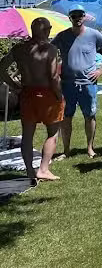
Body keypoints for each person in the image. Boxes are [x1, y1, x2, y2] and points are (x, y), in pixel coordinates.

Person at [0, 18, 63, 182]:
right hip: (47, 93)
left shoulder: (20, 49)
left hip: (27, 93)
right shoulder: (50, 49)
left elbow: (2, 68)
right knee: (53, 132)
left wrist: (14, 84)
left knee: (27, 135)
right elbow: (54, 77)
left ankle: (29, 170)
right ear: (47, 30)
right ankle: (43, 169)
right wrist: (59, 95)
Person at [52, 5, 102, 159]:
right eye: (74, 15)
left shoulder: (94, 35)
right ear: (70, 18)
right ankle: (66, 150)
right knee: (66, 117)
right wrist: (54, 71)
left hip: (88, 83)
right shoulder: (62, 36)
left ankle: (89, 148)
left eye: (80, 15)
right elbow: (49, 51)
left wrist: (101, 70)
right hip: (67, 84)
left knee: (90, 116)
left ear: (84, 17)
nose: (77, 18)